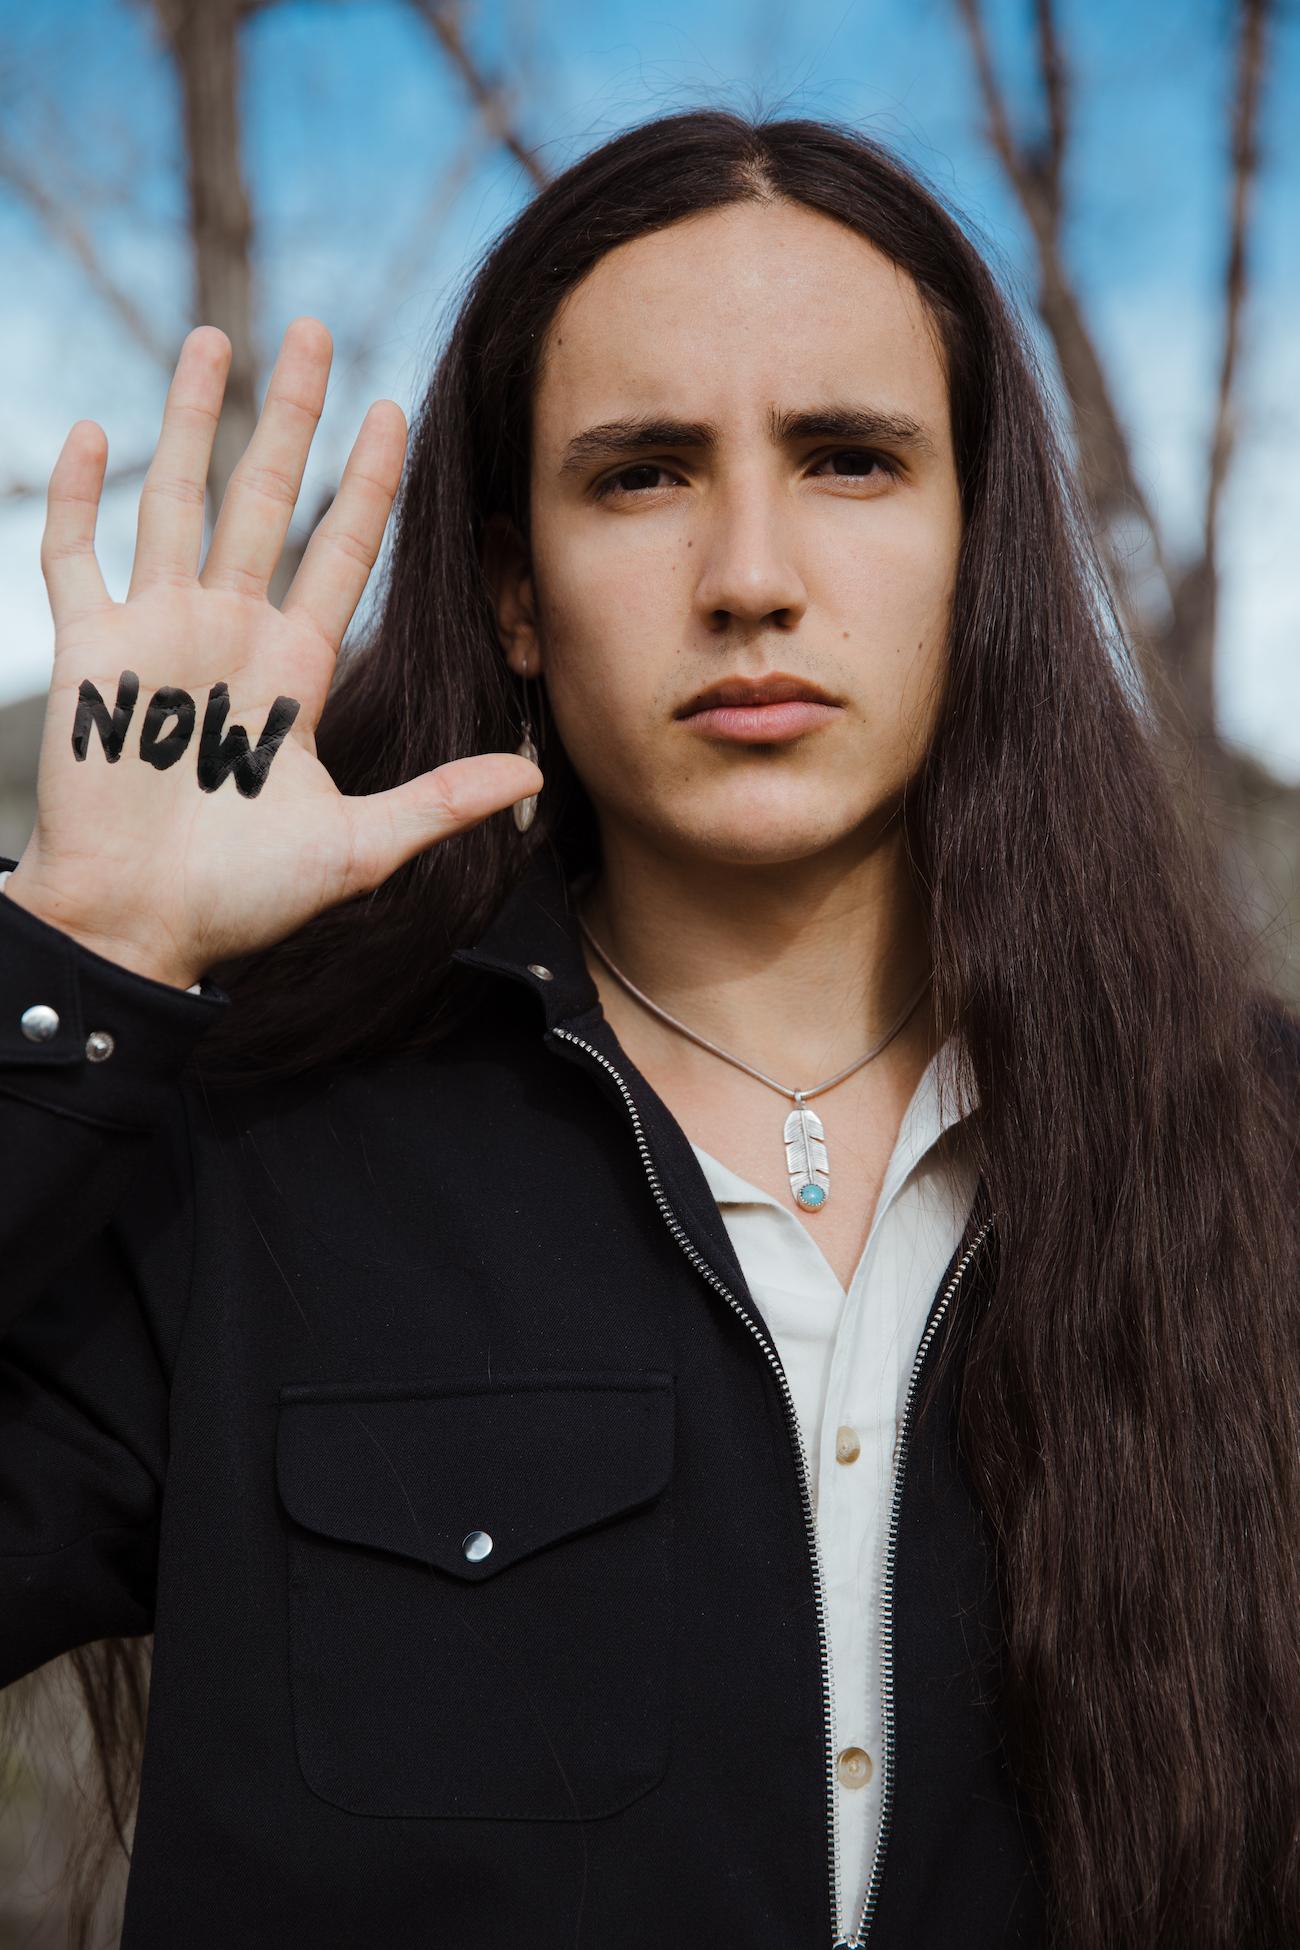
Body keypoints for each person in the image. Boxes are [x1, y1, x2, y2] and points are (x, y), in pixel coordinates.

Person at [1, 109, 1296, 1950]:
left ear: (975, 546)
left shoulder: (1263, 1156)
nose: (750, 574)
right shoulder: (250, 1159)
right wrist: (78, 957)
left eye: (851, 460)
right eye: (642, 474)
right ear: (517, 589)